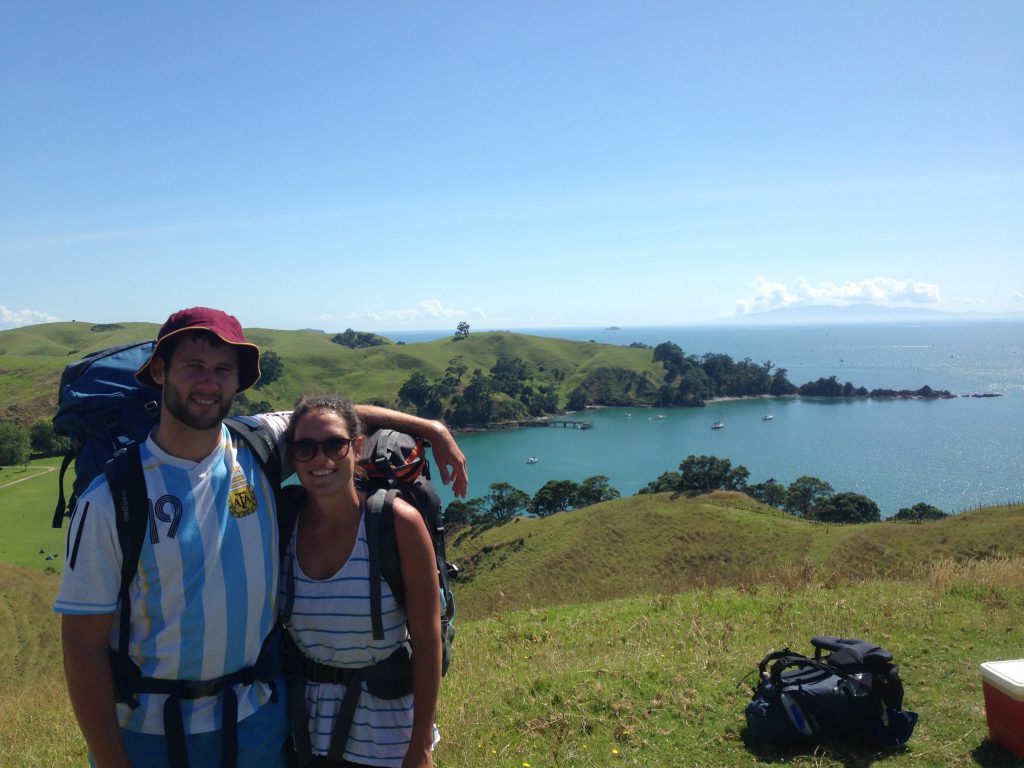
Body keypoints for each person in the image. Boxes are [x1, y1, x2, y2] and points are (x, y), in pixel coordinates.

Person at [54, 307, 467, 768]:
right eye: (193, 366)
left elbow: (332, 421)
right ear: (159, 371)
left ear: (237, 382)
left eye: (223, 370)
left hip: (258, 723)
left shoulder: (259, 442)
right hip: (150, 734)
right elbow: (82, 647)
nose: (208, 382)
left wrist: (429, 428)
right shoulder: (112, 498)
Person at [280, 395, 440, 768]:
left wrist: (421, 745)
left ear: (356, 447)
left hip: (386, 733)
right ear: (293, 454)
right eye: (305, 447)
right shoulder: (285, 518)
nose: (321, 459)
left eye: (335, 444)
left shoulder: (396, 523)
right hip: (301, 726)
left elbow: (428, 640)